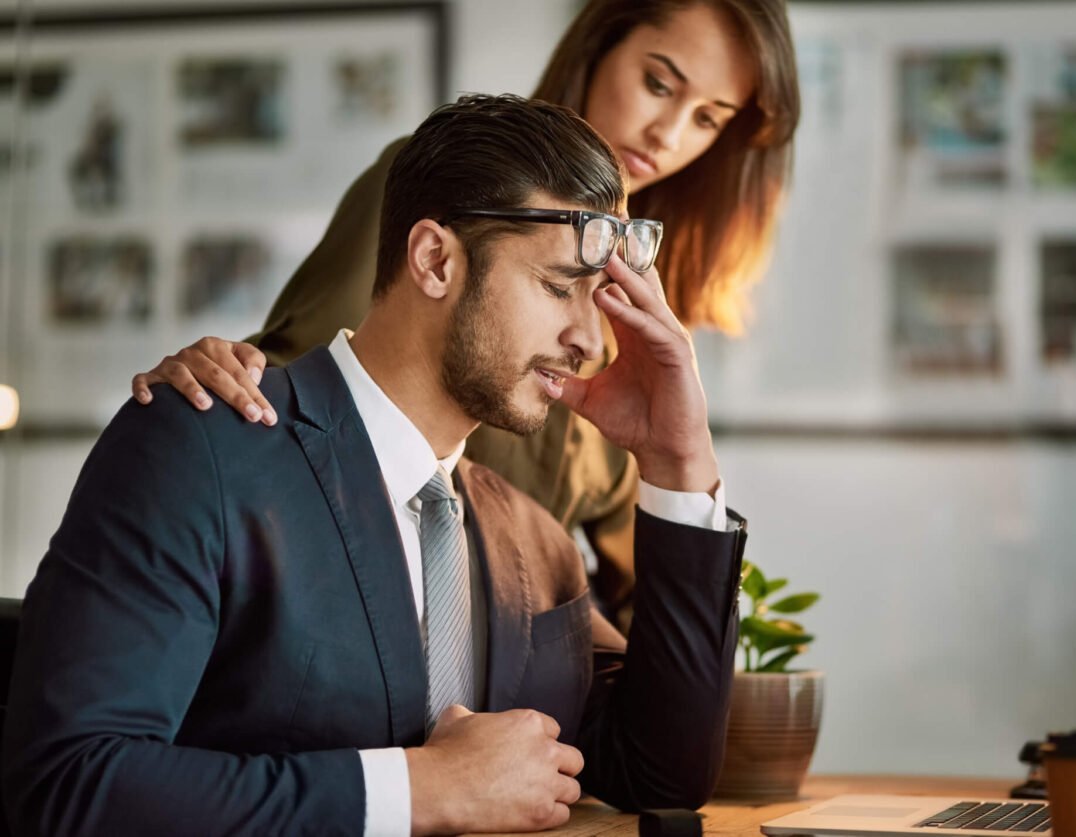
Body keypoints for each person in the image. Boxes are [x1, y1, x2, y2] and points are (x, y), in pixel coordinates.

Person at [4, 94, 746, 837]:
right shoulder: (198, 449)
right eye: (558, 287)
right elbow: (70, 783)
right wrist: (416, 789)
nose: (591, 339)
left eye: (600, 299)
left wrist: (680, 461)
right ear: (434, 260)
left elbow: (662, 771)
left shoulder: (539, 542)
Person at [129, 0, 799, 626]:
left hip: (520, 676)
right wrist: (215, 384)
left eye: (709, 118)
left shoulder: (639, 294)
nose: (670, 133)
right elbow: (292, 382)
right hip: (358, 638)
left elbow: (635, 571)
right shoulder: (450, 199)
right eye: (659, 84)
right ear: (599, 47)